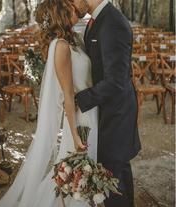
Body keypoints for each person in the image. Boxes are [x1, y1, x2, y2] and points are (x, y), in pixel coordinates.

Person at [0, 0, 98, 207]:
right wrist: (76, 136)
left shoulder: (73, 39)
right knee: (77, 171)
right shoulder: (60, 46)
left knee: (84, 171)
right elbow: (68, 96)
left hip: (92, 109)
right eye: (68, 6)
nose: (73, 6)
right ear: (61, 14)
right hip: (80, 120)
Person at [73, 0, 141, 206]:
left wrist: (79, 100)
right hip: (107, 112)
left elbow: (116, 81)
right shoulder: (97, 20)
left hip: (116, 116)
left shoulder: (112, 22)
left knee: (112, 181)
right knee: (117, 174)